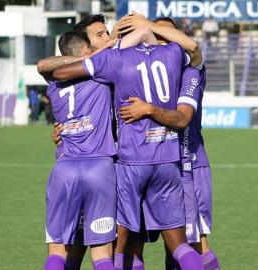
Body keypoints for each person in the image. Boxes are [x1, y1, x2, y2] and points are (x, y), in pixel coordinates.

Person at [51, 21, 206, 269]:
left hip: (128, 163)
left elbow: (56, 71)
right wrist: (147, 26)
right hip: (168, 161)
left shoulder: (113, 60)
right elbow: (193, 47)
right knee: (178, 245)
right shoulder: (174, 55)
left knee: (118, 247)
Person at [119, 17, 220, 270]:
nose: (162, 39)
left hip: (187, 166)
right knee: (134, 242)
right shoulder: (138, 68)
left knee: (192, 245)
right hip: (145, 164)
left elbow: (183, 118)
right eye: (157, 33)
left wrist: (149, 109)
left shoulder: (190, 71)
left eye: (167, 34)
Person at [42, 30, 118, 270]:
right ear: (86, 50)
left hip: (64, 168)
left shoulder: (53, 85)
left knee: (57, 250)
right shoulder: (100, 75)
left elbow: (46, 66)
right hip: (100, 167)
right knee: (102, 253)